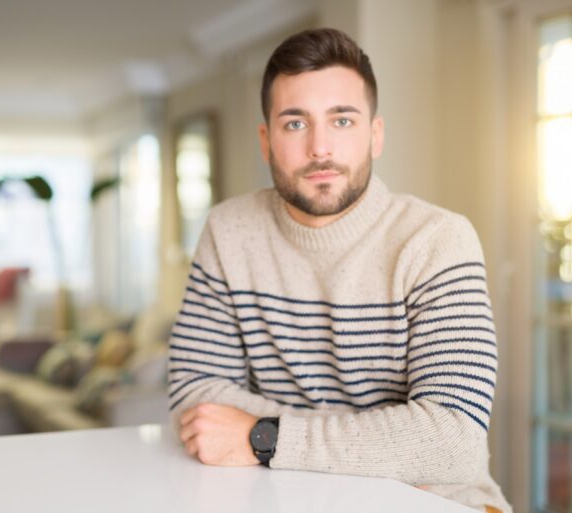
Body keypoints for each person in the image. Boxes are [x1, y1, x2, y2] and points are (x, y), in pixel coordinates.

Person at [167, 27, 511, 513]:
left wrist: (261, 437)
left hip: (433, 502)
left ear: (375, 136)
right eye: (295, 124)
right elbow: (195, 398)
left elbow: (452, 442)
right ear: (266, 141)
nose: (320, 148)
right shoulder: (229, 231)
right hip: (283, 497)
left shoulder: (437, 241)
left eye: (343, 121)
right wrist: (386, 441)